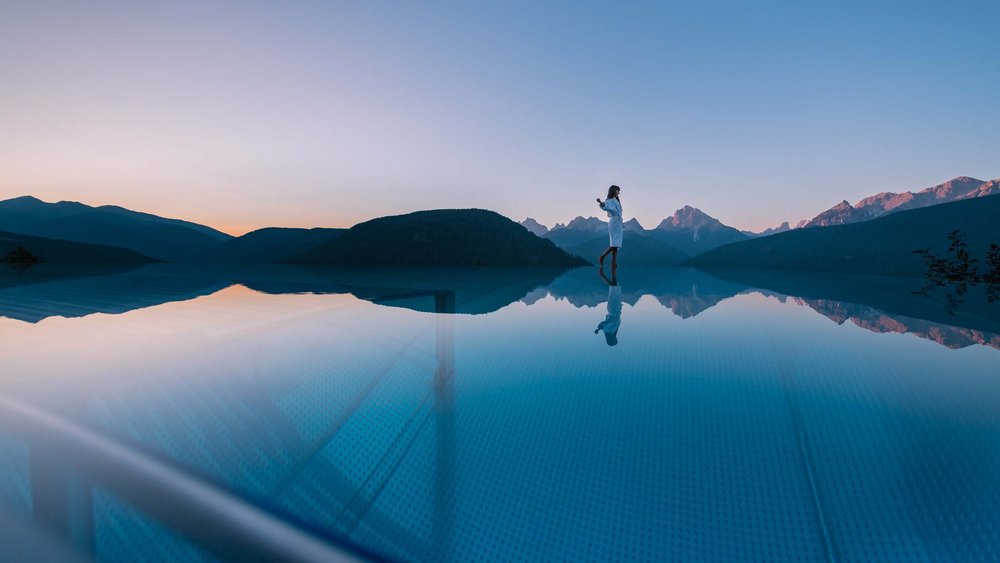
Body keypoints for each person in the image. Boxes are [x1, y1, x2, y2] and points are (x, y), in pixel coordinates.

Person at [596, 185, 623, 268]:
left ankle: (613, 263)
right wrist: (600, 203)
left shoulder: (617, 201)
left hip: (618, 222)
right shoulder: (609, 200)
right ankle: (602, 256)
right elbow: (605, 207)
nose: (619, 192)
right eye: (617, 190)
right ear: (613, 191)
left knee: (617, 244)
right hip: (614, 222)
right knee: (614, 243)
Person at [594, 267, 621, 346]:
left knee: (614, 286)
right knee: (615, 286)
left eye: (615, 340)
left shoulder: (608, 330)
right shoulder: (613, 330)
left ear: (611, 339)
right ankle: (611, 271)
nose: (616, 338)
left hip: (613, 309)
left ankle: (605, 274)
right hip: (615, 308)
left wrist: (598, 329)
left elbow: (604, 324)